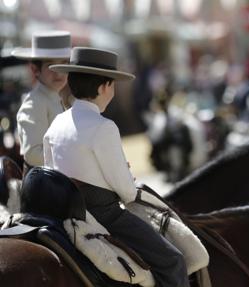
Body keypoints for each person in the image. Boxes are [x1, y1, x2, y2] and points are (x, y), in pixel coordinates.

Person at [43, 47, 189, 287]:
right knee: (173, 260)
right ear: (103, 87)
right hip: (105, 216)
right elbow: (128, 193)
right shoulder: (104, 126)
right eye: (113, 84)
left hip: (62, 214)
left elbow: (52, 171)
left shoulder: (57, 122)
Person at [13, 31, 71, 173]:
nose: (58, 73)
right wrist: (73, 157)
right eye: (51, 66)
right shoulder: (34, 103)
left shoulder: (55, 98)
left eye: (63, 65)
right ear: (35, 69)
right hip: (44, 187)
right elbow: (33, 155)